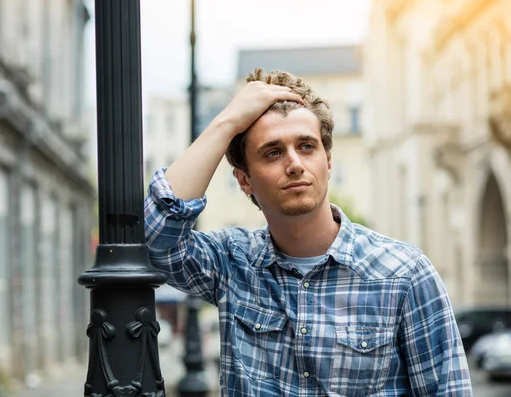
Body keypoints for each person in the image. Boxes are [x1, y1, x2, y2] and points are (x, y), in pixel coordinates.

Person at [144, 69, 472, 396]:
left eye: (306, 146)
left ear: (327, 161)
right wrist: (227, 121)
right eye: (273, 152)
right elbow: (155, 236)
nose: (295, 164)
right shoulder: (233, 263)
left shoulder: (404, 274)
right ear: (244, 180)